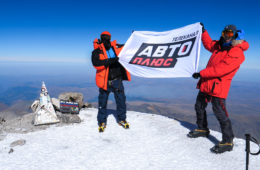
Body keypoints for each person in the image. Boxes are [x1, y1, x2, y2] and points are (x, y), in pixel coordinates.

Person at [188, 23, 249, 153]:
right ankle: (202, 129)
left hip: (219, 86)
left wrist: (201, 73)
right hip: (207, 83)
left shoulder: (237, 52)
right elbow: (209, 44)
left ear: (235, 35)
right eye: (224, 33)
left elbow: (221, 70)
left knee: (220, 113)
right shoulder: (220, 46)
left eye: (230, 34)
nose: (227, 36)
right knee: (199, 106)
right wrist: (203, 31)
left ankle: (228, 141)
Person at [91, 31, 131, 132]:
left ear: (110, 38)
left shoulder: (115, 48)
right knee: (102, 103)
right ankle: (102, 121)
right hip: (104, 82)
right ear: (101, 38)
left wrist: (133, 38)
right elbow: (96, 64)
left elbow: (127, 47)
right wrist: (111, 61)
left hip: (117, 80)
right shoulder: (96, 51)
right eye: (104, 37)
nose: (106, 39)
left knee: (121, 101)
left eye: (107, 37)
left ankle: (122, 119)